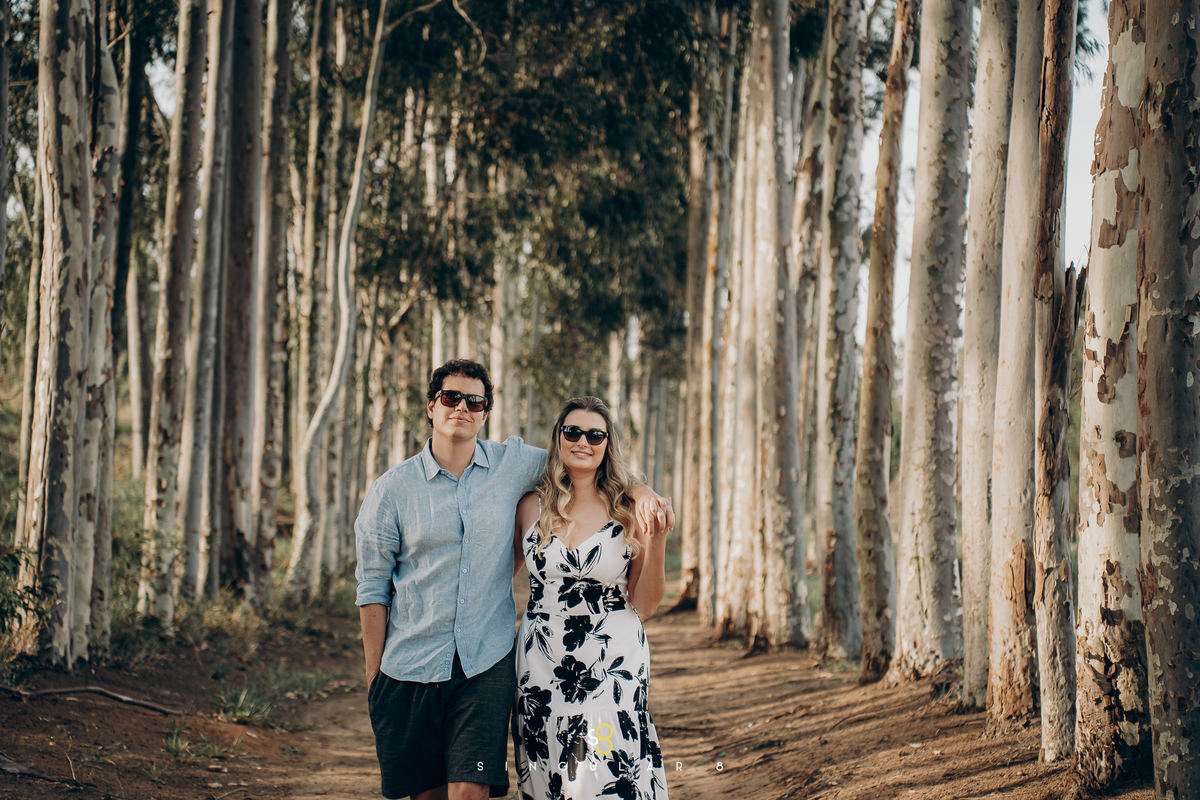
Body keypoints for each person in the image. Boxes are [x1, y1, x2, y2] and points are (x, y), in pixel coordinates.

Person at [355, 361, 673, 800]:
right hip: (443, 666)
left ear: (485, 412)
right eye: (451, 398)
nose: (462, 408)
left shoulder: (520, 470)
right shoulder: (397, 491)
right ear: (431, 406)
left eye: (475, 401)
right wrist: (376, 678)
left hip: (509, 664)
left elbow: (600, 473)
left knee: (490, 788)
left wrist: (644, 493)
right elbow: (374, 587)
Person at [512, 396, 670, 800]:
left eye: (595, 434)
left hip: (612, 664)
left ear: (607, 444)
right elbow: (497, 579)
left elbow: (647, 603)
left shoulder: (629, 508)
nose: (583, 441)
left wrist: (658, 541)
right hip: (541, 662)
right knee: (553, 775)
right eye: (573, 431)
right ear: (558, 438)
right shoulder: (530, 506)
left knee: (607, 775)